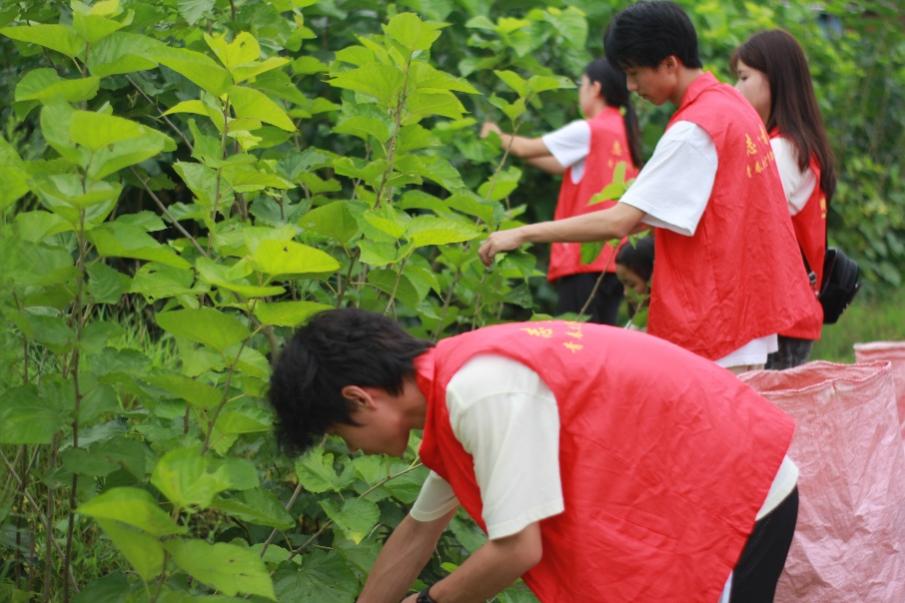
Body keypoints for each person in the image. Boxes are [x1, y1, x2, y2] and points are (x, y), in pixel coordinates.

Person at [269, 308, 800, 603]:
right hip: (697, 496)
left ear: (360, 399)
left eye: (339, 434)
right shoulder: (454, 385)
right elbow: (417, 532)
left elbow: (517, 550)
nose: (350, 447)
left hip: (734, 499)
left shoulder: (478, 392)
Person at [478, 0, 821, 374]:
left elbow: (620, 222)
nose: (630, 86)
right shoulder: (731, 107)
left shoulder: (694, 129)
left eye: (634, 73)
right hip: (744, 318)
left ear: (670, 64)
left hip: (715, 324)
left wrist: (522, 234)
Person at [480, 59, 641, 325]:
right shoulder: (625, 132)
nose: (580, 91)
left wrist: (494, 135)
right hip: (615, 259)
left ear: (595, 88)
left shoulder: (588, 129)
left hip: (583, 256)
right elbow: (558, 163)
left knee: (574, 337)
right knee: (601, 337)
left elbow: (525, 148)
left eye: (581, 84)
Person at [732, 30, 836, 369]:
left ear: (774, 78)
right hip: (792, 312)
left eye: (743, 77)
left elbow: (744, 221)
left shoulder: (780, 149)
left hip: (780, 317)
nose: (736, 89)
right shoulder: (796, 145)